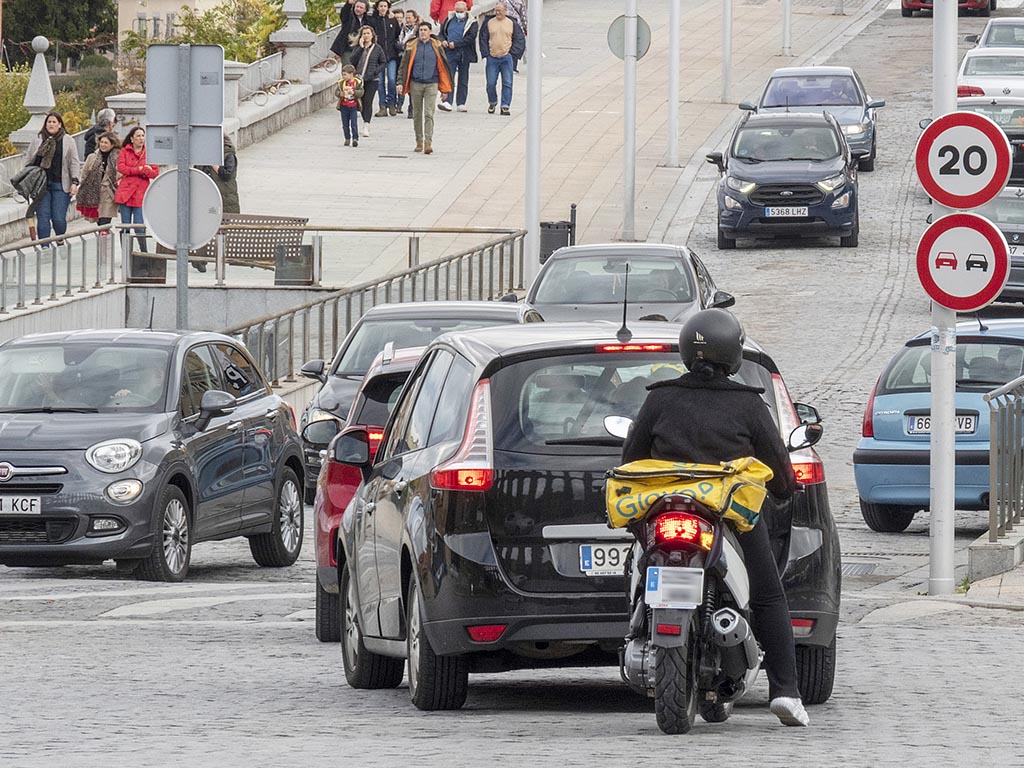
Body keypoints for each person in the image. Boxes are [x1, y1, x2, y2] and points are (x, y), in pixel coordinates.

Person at [620, 308, 811, 728]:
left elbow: (630, 459)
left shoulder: (659, 397)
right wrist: (782, 491)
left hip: (667, 512)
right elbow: (780, 469)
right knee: (767, 596)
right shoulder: (747, 403)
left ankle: (639, 624)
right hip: (728, 516)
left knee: (639, 572)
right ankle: (786, 692)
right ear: (734, 353)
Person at [397, 21, 453, 155]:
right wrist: (400, 82)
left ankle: (428, 142)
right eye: (420, 30)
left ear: (430, 32)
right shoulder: (411, 46)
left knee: (429, 113)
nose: (422, 32)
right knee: (417, 114)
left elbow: (444, 67)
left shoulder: (437, 45)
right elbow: (403, 66)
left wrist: (445, 89)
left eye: (425, 30)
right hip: (415, 83)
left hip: (432, 83)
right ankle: (419, 141)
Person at [26, 112, 81, 241]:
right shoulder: (38, 139)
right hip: (41, 186)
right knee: (43, 217)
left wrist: (75, 182)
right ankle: (45, 248)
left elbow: (74, 162)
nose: (51, 124)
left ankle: (60, 240)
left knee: (58, 218)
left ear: (60, 125)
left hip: (61, 184)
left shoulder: (67, 140)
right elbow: (28, 161)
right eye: (48, 122)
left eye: (54, 122)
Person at [193, 134, 240, 272]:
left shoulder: (229, 155)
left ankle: (220, 261)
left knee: (222, 231)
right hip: (207, 199)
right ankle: (201, 260)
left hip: (224, 199)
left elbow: (227, 175)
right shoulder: (204, 155)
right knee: (204, 229)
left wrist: (215, 166)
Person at [115, 126, 159, 254]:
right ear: (132, 138)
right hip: (126, 193)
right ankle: (126, 255)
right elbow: (121, 168)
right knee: (125, 226)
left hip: (140, 193)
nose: (141, 138)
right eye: (138, 136)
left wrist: (143, 171)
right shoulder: (125, 151)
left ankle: (143, 252)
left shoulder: (149, 152)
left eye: (143, 136)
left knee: (139, 226)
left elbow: (154, 172)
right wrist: (140, 169)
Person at [478, 1, 525, 116]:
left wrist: (512, 54)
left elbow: (519, 39)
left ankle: (505, 106)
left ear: (505, 11)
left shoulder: (512, 23)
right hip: (492, 58)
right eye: (496, 10)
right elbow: (483, 38)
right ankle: (493, 102)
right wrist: (486, 54)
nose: (497, 12)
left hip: (506, 58)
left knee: (507, 83)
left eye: (500, 10)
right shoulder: (489, 22)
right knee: (490, 83)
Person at [439, 1, 478, 112]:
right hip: (450, 53)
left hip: (464, 53)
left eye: (461, 11)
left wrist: (456, 44)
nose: (459, 13)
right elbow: (441, 34)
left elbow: (470, 38)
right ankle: (447, 101)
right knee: (449, 76)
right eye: (457, 11)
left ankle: (461, 102)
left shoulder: (472, 23)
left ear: (466, 10)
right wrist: (443, 41)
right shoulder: (448, 20)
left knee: (463, 78)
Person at [76, 131, 121, 226]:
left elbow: (119, 175)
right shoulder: (92, 157)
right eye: (102, 142)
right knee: (99, 223)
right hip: (94, 194)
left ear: (112, 144)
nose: (103, 145)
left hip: (108, 194)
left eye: (106, 143)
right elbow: (84, 174)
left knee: (105, 222)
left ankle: (104, 239)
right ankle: (103, 240)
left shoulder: (117, 158)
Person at [350, 26, 387, 137]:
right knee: (360, 101)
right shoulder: (357, 48)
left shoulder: (377, 48)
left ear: (372, 35)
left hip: (372, 79)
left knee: (368, 101)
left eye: (368, 33)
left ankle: (366, 124)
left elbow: (383, 62)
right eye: (364, 34)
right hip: (359, 79)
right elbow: (352, 60)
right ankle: (364, 120)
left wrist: (375, 71)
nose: (366, 35)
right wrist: (361, 48)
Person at [368, 0, 401, 117]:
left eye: (385, 6)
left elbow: (398, 34)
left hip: (391, 54)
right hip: (378, 55)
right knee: (380, 81)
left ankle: (392, 103)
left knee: (392, 79)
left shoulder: (392, 19)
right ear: (377, 7)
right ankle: (382, 106)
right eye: (381, 6)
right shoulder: (372, 20)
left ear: (388, 8)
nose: (382, 8)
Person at [396, 9, 421, 118]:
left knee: (412, 83)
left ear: (415, 19)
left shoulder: (418, 30)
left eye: (410, 17)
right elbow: (397, 42)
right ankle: (399, 104)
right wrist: (402, 46)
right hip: (401, 57)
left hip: (413, 59)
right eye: (407, 18)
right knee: (401, 80)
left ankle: (412, 107)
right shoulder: (402, 29)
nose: (408, 20)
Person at [336, 64, 364, 146]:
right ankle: (347, 138)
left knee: (354, 124)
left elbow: (361, 92)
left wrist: (354, 92)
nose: (344, 76)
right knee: (345, 124)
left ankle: (355, 138)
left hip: (353, 106)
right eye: (343, 74)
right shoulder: (341, 83)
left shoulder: (357, 83)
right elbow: (336, 92)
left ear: (351, 74)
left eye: (345, 74)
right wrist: (340, 94)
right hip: (344, 106)